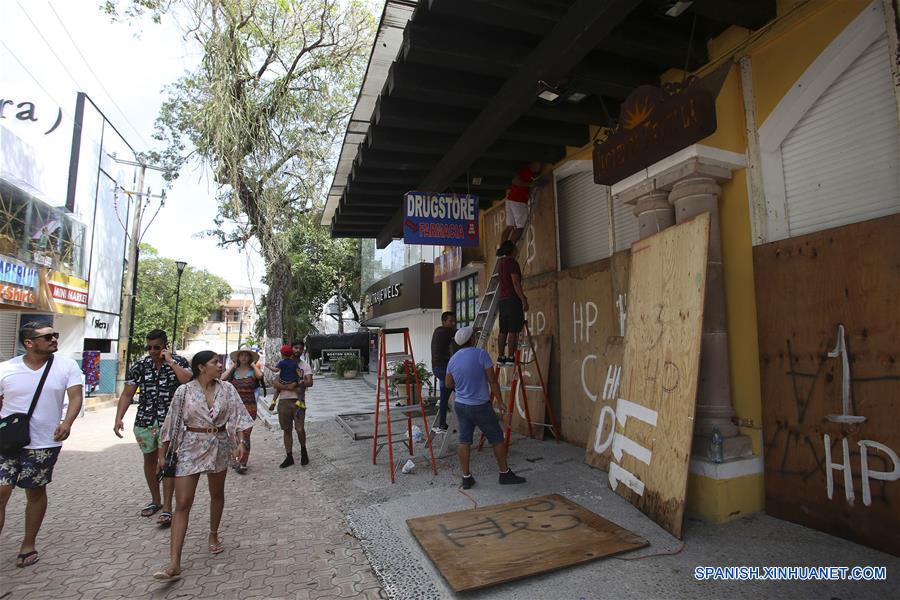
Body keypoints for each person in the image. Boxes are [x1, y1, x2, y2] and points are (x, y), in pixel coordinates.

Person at [152, 350, 253, 582]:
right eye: (215, 362)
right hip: (190, 447)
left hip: (219, 444)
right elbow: (170, 424)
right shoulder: (184, 391)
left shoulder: (227, 389)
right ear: (201, 367)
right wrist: (161, 454)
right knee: (183, 502)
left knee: (217, 493)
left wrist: (241, 443)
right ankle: (174, 562)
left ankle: (214, 534)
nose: (220, 366)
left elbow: (240, 418)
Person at [0, 322, 83, 568]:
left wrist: (67, 422)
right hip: (7, 441)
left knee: (34, 491)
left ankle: (28, 543)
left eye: (55, 335)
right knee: (2, 491)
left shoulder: (67, 366)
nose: (54, 339)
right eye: (47, 337)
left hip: (45, 442)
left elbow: (76, 396)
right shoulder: (6, 369)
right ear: (29, 343)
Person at [113, 329, 191, 527]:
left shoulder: (178, 362)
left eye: (157, 347)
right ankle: (155, 500)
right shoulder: (140, 365)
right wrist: (118, 418)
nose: (152, 351)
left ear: (165, 346)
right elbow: (127, 394)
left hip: (171, 422)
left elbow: (187, 381)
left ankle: (167, 508)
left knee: (167, 462)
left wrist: (171, 362)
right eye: (149, 347)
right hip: (145, 420)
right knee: (149, 460)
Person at [445, 326, 526, 490]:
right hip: (480, 406)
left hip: (461, 405)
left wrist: (461, 388)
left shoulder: (452, 359)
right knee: (497, 438)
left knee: (464, 440)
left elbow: (448, 383)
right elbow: (492, 380)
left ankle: (466, 477)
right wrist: (501, 402)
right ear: (472, 340)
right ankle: (504, 473)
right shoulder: (481, 354)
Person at [221, 347, 263, 473]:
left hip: (250, 406)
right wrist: (232, 367)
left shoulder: (253, 370)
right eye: (241, 355)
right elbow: (222, 379)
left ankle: (243, 461)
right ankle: (236, 459)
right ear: (238, 358)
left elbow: (260, 376)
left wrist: (253, 365)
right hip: (234, 407)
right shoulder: (234, 371)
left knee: (246, 434)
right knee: (233, 434)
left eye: (246, 355)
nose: (244, 357)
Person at [273, 341, 313, 468]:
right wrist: (290, 387)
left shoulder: (305, 366)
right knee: (287, 430)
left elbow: (310, 382)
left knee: (300, 429)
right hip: (283, 401)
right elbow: (275, 383)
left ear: (303, 351)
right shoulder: (283, 365)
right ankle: (289, 456)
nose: (298, 350)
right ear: (291, 349)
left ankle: (303, 450)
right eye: (296, 348)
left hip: (299, 402)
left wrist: (297, 383)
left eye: (300, 348)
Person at [496, 240, 528, 365]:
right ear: (512, 250)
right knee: (513, 330)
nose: (517, 250)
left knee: (503, 330)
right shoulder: (512, 263)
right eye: (515, 248)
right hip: (512, 300)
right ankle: (510, 357)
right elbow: (515, 283)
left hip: (503, 301)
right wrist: (523, 299)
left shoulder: (501, 264)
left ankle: (501, 357)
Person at [500, 161, 542, 244]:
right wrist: (530, 185)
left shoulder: (528, 173)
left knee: (509, 227)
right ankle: (509, 248)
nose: (539, 168)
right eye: (539, 166)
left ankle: (502, 249)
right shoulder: (526, 171)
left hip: (510, 200)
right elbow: (515, 181)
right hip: (518, 201)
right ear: (533, 164)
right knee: (521, 227)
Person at [430, 311, 457, 432]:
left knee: (445, 397)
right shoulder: (445, 331)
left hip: (440, 369)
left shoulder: (438, 331)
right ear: (444, 321)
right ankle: (465, 420)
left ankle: (442, 424)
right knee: (463, 389)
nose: (453, 323)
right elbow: (462, 334)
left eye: (453, 321)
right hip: (442, 370)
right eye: (450, 321)